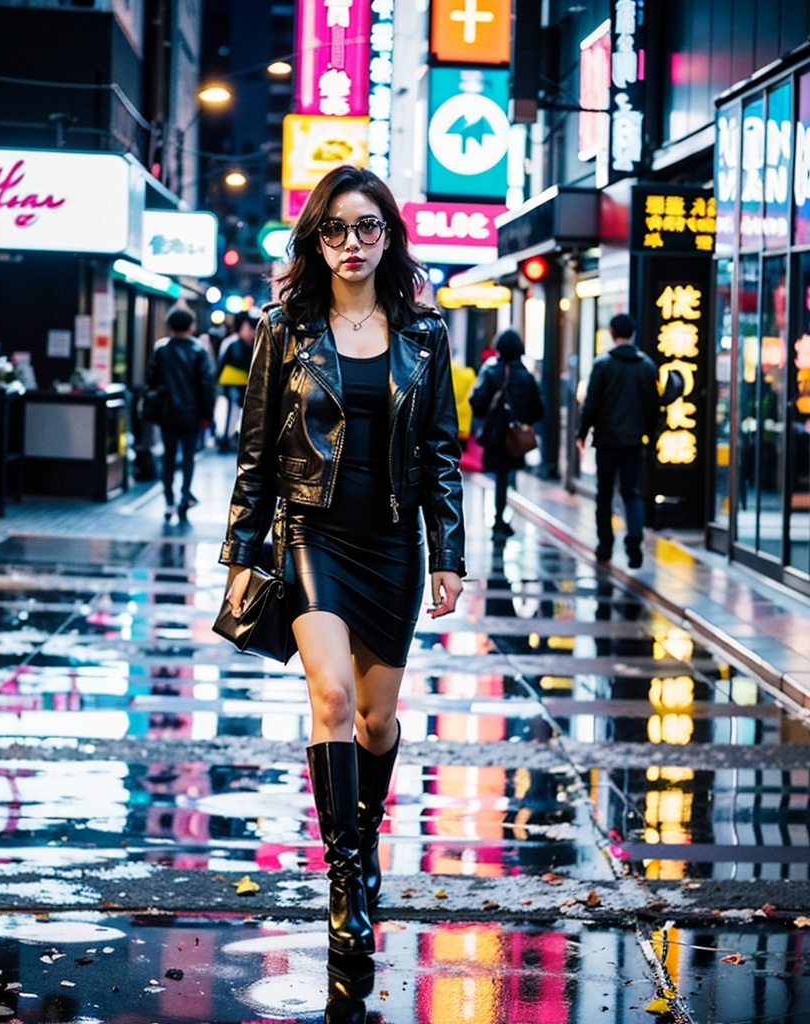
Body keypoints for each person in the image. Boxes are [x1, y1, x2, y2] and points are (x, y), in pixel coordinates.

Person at [220, 165, 466, 958]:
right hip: (312, 534)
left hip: (393, 541)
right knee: (328, 697)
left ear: (387, 235)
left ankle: (362, 846)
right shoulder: (284, 328)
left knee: (375, 718)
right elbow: (255, 454)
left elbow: (439, 455)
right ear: (315, 239)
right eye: (334, 229)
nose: (350, 243)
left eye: (365, 228)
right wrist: (240, 553)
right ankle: (344, 878)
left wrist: (448, 555)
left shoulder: (426, 333)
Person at [577, 312, 658, 569]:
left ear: (612, 333)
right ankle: (634, 541)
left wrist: (582, 432)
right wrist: (651, 434)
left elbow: (591, 404)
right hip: (635, 441)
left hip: (607, 440)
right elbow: (652, 406)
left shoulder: (603, 365)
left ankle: (604, 546)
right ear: (632, 333)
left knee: (604, 494)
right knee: (631, 492)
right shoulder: (647, 366)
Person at [469, 329, 544, 540]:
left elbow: (477, 401)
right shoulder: (526, 376)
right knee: (507, 476)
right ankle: (501, 519)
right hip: (515, 436)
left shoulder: (491, 371)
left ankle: (499, 520)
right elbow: (538, 409)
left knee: (500, 477)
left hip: (495, 434)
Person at [147, 307, 215, 521]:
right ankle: (185, 495)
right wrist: (207, 414)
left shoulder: (161, 349)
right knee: (188, 457)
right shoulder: (198, 350)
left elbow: (151, 380)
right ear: (191, 326)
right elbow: (206, 385)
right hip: (191, 413)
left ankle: (168, 500)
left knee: (168, 456)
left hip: (167, 412)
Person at [215, 312, 257, 452]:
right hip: (231, 385)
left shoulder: (254, 343)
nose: (251, 331)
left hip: (247, 386)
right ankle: (225, 440)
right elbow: (220, 365)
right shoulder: (231, 343)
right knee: (229, 415)